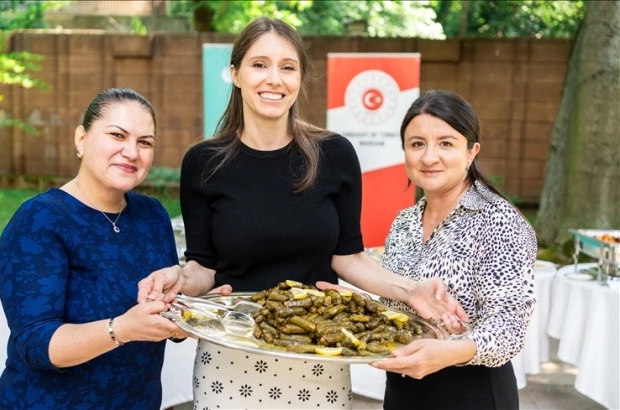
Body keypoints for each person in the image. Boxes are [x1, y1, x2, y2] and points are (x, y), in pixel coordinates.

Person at [138, 18, 467, 409]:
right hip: (231, 355)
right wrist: (176, 276)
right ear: (235, 73)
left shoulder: (335, 155)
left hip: (319, 354)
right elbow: (203, 268)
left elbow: (349, 257)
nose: (274, 79)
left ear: (300, 78)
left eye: (287, 67)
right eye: (259, 64)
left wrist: (411, 290)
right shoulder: (203, 163)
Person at [0, 88, 188, 409]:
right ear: (81, 139)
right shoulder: (40, 219)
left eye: (145, 142)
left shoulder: (152, 214)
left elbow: (158, 310)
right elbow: (36, 344)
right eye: (117, 135)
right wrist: (121, 329)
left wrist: (189, 317)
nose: (131, 152)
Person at [367, 90, 537, 409]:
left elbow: (510, 325)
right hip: (404, 390)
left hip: (471, 393)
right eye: (417, 144)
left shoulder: (497, 220)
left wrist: (451, 350)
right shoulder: (404, 221)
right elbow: (394, 302)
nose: (429, 157)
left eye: (446, 143)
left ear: (471, 151)